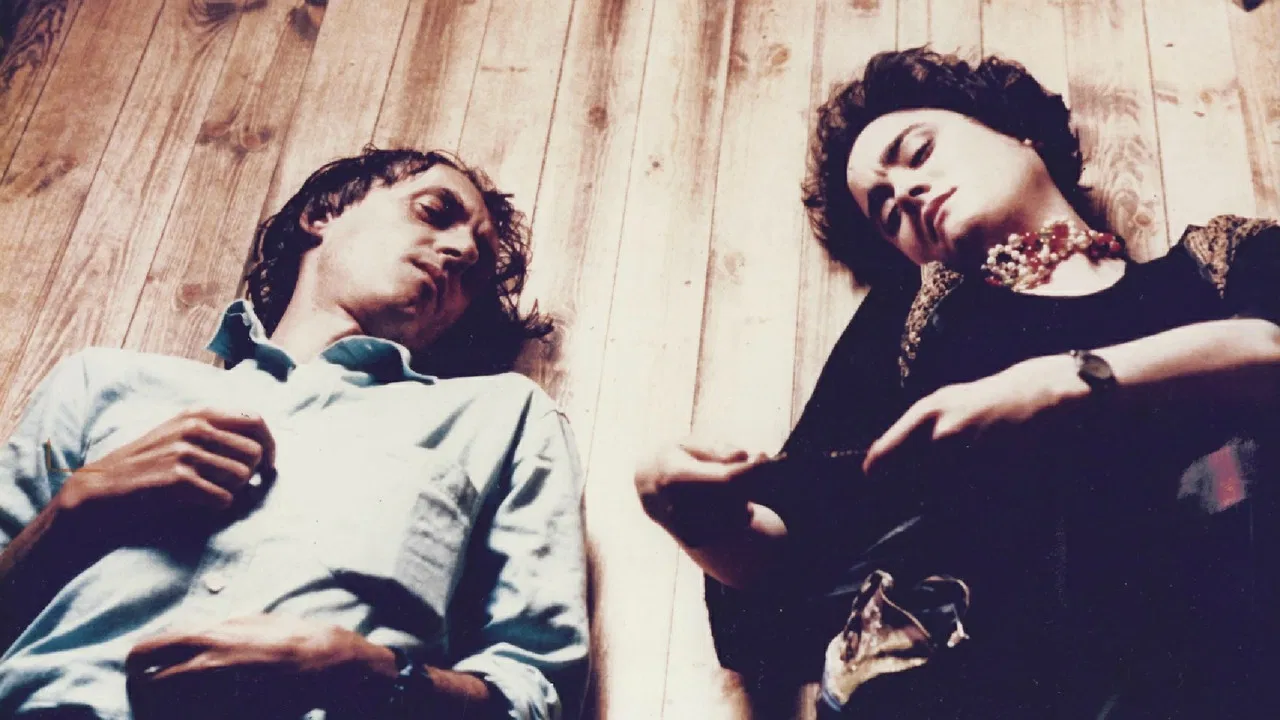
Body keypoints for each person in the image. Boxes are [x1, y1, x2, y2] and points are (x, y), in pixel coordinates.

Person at [637, 48, 1280, 718]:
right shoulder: (916, 322)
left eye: (917, 152)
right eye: (886, 212)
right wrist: (700, 521)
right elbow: (795, 553)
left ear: (1019, 133)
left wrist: (1061, 384)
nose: (905, 193)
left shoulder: (1219, 265)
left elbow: (1269, 350)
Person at [0, 148, 589, 720]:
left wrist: (365, 677)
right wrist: (73, 509)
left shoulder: (500, 417)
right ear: (323, 213)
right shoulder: (100, 381)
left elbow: (536, 691)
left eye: (477, 272)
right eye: (434, 212)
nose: (462, 251)